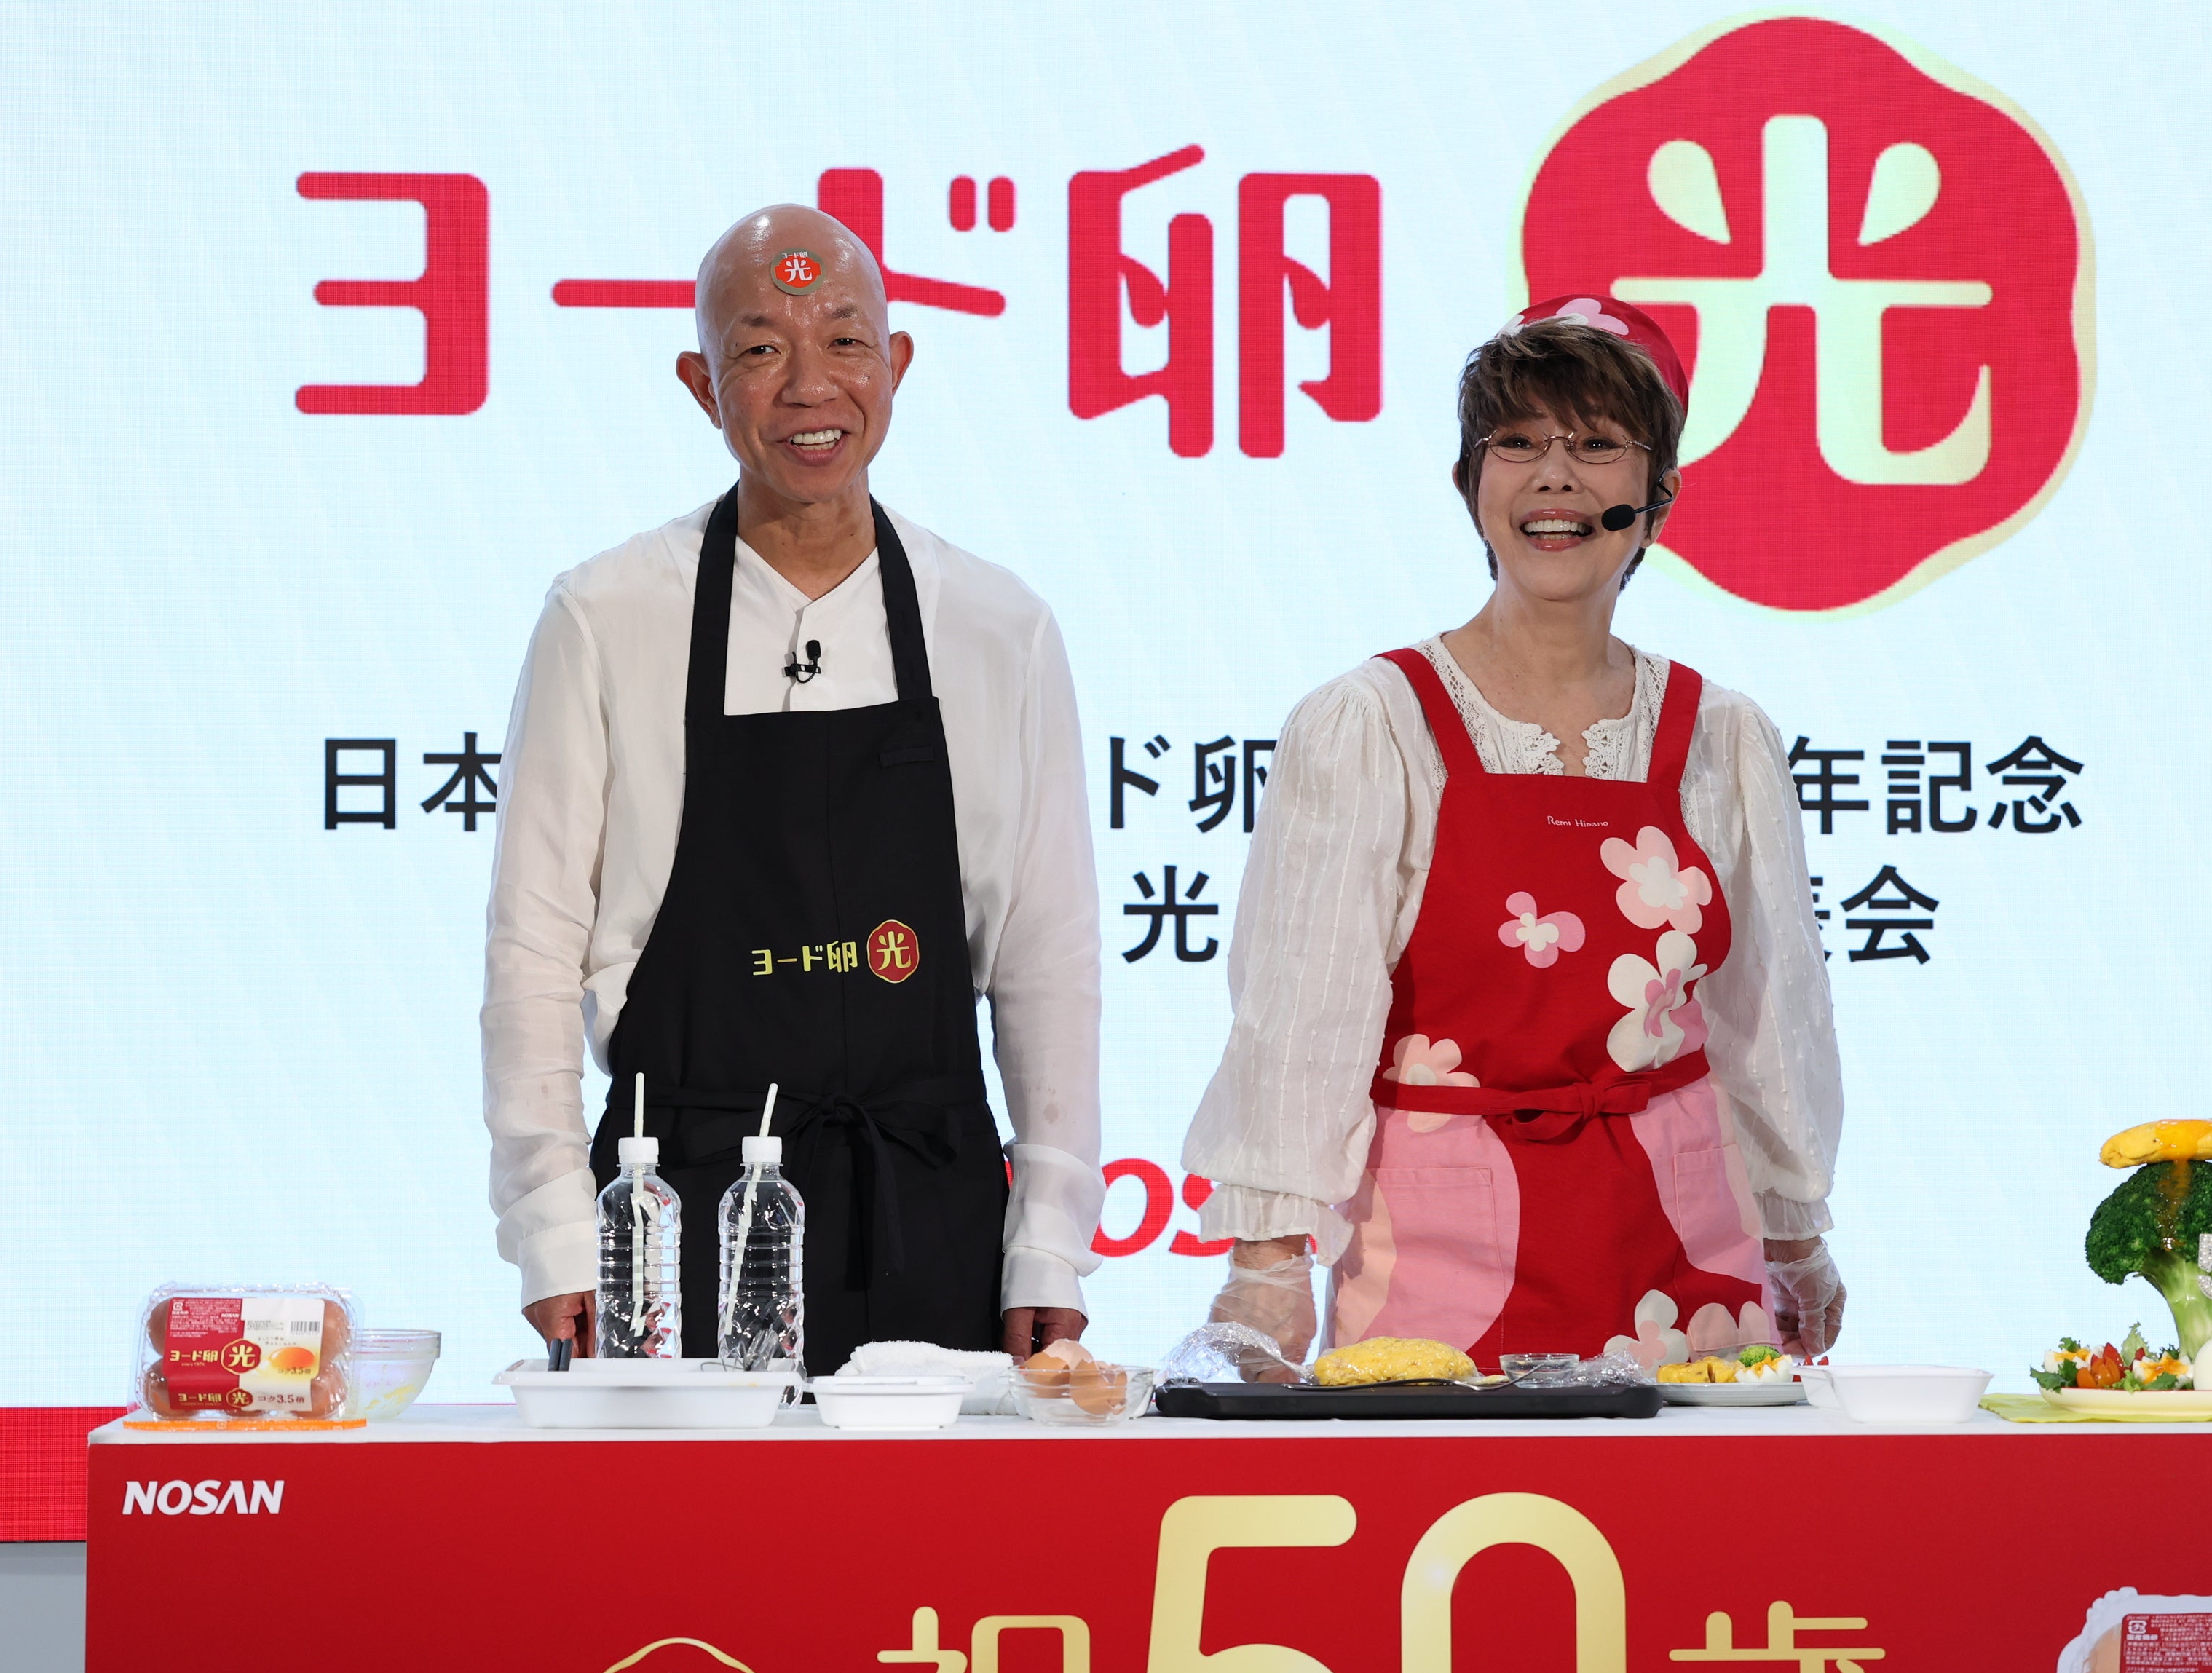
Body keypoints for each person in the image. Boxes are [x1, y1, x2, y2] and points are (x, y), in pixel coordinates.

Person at [483, 206, 1100, 1368]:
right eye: (762, 350)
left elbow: (1048, 956)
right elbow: (533, 946)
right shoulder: (608, 614)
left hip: (928, 1205)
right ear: (701, 387)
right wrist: (552, 1226)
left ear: (897, 363)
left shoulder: (997, 625)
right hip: (667, 1215)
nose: (812, 386)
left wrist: (1051, 1238)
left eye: (846, 342)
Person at [1184, 296, 1843, 1374]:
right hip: (1436, 1257)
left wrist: (1795, 1233)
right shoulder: (1372, 724)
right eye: (1520, 443)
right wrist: (1266, 1262)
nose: (1556, 478)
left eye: (1597, 445)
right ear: (1470, 484)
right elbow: (1302, 1018)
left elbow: (1770, 1018)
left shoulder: (1723, 738)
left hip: (1685, 1256)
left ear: (1658, 494)